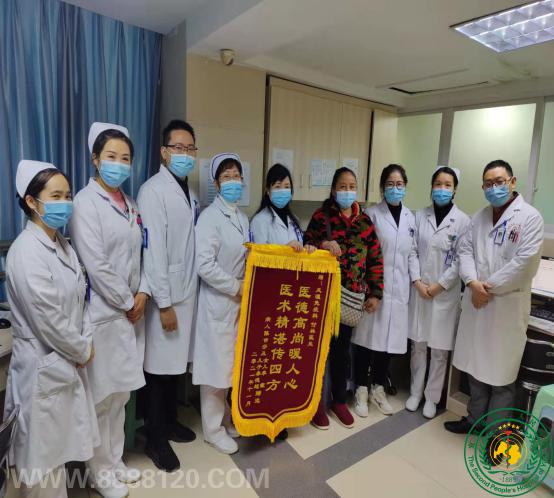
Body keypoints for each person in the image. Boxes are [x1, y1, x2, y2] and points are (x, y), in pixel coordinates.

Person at [4, 160, 98, 498]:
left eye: (68, 195)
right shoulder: (26, 252)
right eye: (56, 196)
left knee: (56, 455)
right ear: (32, 201)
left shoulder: (62, 244)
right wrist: (82, 349)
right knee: (41, 464)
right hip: (42, 367)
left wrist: (84, 341)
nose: (65, 203)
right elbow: (48, 319)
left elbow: (81, 299)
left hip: (65, 361)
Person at [69, 122, 149, 498]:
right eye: (111, 156)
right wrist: (127, 300)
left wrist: (144, 292)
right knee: (101, 398)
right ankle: (98, 472)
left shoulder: (129, 204)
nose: (119, 164)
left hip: (129, 313)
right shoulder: (85, 203)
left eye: (125, 158)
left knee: (120, 396)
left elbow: (142, 251)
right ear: (95, 159)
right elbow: (96, 264)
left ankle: (115, 462)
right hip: (104, 313)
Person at [445, 159, 544, 434]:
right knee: (476, 369)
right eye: (488, 184)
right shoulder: (478, 218)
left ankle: (495, 433)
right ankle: (474, 421)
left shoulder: (530, 218)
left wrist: (485, 288)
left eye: (499, 181)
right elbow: (465, 251)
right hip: (478, 302)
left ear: (512, 182)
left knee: (501, 377)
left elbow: (524, 264)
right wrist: (472, 283)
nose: (493, 188)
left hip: (504, 307)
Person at [137, 119, 198, 472]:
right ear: (164, 152)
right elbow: (154, 251)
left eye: (190, 148)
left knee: (174, 367)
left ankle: (171, 423)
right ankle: (155, 439)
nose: (185, 154)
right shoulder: (152, 191)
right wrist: (164, 304)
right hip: (167, 297)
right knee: (159, 371)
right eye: (178, 147)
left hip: (186, 293)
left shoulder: (189, 192)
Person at [304, 167, 383, 429]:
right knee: (319, 352)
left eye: (352, 187)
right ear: (333, 189)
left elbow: (375, 259)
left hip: (350, 300)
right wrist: (322, 246)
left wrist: (375, 293)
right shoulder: (321, 217)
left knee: (342, 353)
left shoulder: (365, 223)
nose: (347, 191)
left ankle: (339, 401)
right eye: (342, 186)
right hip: (322, 297)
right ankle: (315, 404)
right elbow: (306, 246)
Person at [250, 163, 317, 439]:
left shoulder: (294, 220)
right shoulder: (260, 221)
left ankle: (280, 413)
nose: (282, 191)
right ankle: (262, 420)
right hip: (270, 300)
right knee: (268, 362)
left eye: (286, 186)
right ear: (267, 190)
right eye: (277, 186)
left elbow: (299, 254)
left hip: (291, 300)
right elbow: (258, 259)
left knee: (284, 361)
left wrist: (308, 250)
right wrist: (283, 251)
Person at [192, 153, 249, 455]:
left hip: (237, 302)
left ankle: (224, 419)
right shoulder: (209, 218)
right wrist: (235, 287)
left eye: (236, 176)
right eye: (226, 177)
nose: (232, 182)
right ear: (216, 184)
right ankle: (212, 431)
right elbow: (204, 265)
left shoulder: (241, 217)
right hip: (218, 300)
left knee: (229, 366)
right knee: (216, 369)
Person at [352, 164, 418, 417]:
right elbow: (362, 255)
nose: (395, 188)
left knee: (388, 344)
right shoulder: (371, 215)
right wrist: (371, 291)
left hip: (400, 291)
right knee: (366, 342)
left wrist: (417, 281)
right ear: (382, 187)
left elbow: (412, 254)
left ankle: (378, 389)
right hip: (374, 289)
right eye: (390, 184)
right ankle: (361, 389)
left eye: (399, 184)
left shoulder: (411, 218)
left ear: (405, 186)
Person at [406, 166, 470, 419]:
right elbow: (412, 250)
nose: (442, 189)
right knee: (419, 345)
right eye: (438, 184)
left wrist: (439, 285)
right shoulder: (419, 216)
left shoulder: (463, 221)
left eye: (447, 185)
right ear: (431, 187)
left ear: (455, 190)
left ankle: (432, 397)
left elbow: (460, 259)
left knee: (440, 350)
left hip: (444, 294)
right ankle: (415, 392)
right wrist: (417, 281)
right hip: (421, 290)